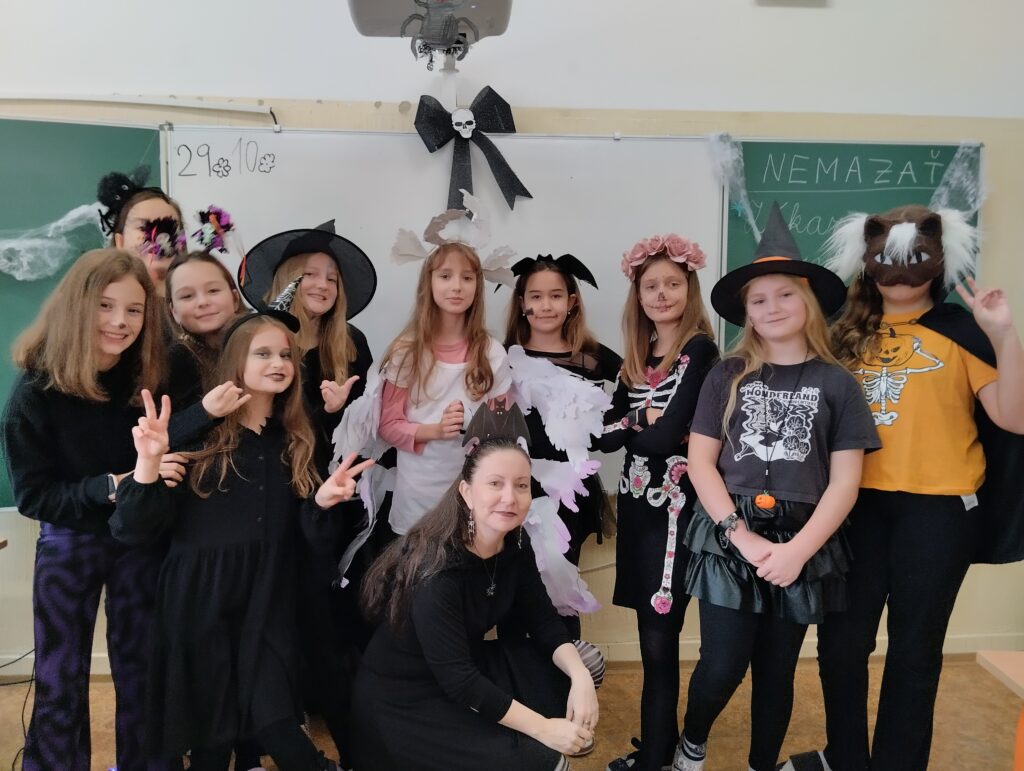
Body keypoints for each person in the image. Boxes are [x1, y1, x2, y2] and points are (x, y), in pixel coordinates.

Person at [785, 204, 1024, 771]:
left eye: (914, 257)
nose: (900, 270)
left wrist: (1003, 334)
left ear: (939, 259)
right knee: (842, 645)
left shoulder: (961, 331)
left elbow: (1013, 418)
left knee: (915, 651)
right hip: (853, 508)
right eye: (886, 259)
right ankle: (846, 758)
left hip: (940, 512)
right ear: (867, 259)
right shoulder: (840, 334)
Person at [109, 313, 372, 771]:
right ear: (236, 362)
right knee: (212, 740)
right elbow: (131, 528)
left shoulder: (296, 439)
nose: (278, 363)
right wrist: (148, 464)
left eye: (286, 355)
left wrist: (321, 503)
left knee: (277, 721)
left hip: (267, 602)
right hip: (202, 604)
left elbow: (308, 540)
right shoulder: (200, 438)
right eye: (263, 353)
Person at [674, 202, 878, 771]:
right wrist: (738, 535)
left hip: (802, 539)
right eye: (758, 300)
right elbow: (701, 463)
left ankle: (761, 763)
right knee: (722, 664)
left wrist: (797, 552)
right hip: (730, 534)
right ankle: (691, 742)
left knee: (777, 670)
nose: (772, 306)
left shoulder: (838, 384)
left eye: (785, 294)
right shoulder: (726, 375)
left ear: (808, 300)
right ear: (747, 313)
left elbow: (845, 482)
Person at [1, 248, 174, 771]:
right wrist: (111, 487)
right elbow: (34, 497)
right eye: (105, 305)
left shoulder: (149, 374)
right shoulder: (34, 391)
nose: (120, 321)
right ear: (78, 305)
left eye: (134, 309)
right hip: (69, 538)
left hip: (137, 538)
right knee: (59, 678)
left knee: (142, 671)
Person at [351, 437, 600, 771]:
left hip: (467, 666)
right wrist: (544, 729)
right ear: (466, 492)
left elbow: (544, 622)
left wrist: (581, 678)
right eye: (495, 483)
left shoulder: (516, 544)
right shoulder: (437, 569)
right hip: (407, 696)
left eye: (521, 485)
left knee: (586, 662)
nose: (510, 497)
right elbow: (460, 680)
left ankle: (551, 731)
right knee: (547, 764)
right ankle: (535, 736)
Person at [598, 234, 719, 771]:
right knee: (654, 643)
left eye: (673, 283)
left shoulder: (699, 350)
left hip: (675, 512)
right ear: (638, 294)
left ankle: (656, 760)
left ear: (689, 290)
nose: (662, 294)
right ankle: (658, 751)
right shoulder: (635, 358)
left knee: (659, 642)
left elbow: (665, 437)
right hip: (638, 511)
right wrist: (640, 420)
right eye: (651, 286)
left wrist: (639, 427)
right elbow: (603, 437)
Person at [501, 254, 622, 574]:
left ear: (571, 302)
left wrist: (609, 427)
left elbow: (637, 385)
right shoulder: (503, 357)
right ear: (521, 303)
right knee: (514, 580)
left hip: (567, 489)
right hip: (512, 488)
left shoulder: (592, 357)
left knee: (560, 580)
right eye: (536, 297)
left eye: (555, 296)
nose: (545, 306)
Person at [97, 167, 185, 297]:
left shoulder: (198, 298)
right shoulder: (102, 299)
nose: (160, 234)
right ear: (120, 242)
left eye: (169, 226)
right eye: (143, 226)